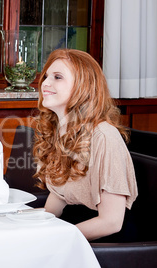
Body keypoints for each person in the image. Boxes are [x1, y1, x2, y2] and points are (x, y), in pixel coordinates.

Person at [33, 49, 138, 241]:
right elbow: (57, 202)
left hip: (105, 242)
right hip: (72, 227)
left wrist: (56, 239)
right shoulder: (61, 130)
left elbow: (112, 222)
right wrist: (16, 220)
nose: (45, 83)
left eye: (57, 77)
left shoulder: (104, 136)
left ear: (83, 87)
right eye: (46, 76)